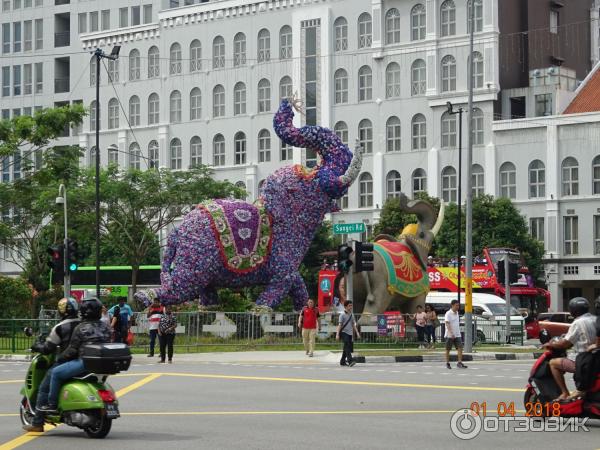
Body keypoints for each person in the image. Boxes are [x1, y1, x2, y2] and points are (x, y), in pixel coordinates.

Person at [37, 297, 111, 413]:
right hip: (104, 363)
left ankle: (52, 404)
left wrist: (60, 358)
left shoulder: (80, 327)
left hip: (85, 363)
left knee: (55, 373)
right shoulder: (106, 327)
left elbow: (72, 350)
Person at [23, 298, 80, 432]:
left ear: (62, 310)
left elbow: (48, 348)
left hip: (67, 361)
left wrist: (37, 346)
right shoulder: (82, 323)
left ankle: (37, 422)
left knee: (43, 387)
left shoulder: (60, 327)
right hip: (83, 361)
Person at [543, 297, 597, 400]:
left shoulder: (578, 323)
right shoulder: (594, 319)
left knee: (553, 363)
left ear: (574, 311)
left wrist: (550, 344)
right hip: (596, 358)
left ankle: (564, 393)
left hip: (585, 361)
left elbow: (565, 344)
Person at [336, 301, 361, 367]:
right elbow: (340, 325)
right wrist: (337, 334)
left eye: (351, 305)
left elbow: (353, 325)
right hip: (344, 332)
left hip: (350, 333)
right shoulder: (342, 315)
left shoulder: (352, 315)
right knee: (347, 345)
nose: (351, 307)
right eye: (349, 305)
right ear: (345, 306)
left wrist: (357, 333)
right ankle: (350, 361)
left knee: (346, 347)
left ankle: (342, 361)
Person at [444, 299, 467, 369]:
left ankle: (459, 362)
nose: (458, 307)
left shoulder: (457, 313)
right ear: (452, 305)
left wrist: (456, 333)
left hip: (457, 334)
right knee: (448, 349)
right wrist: (451, 333)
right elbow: (447, 324)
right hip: (449, 335)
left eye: (458, 305)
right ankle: (447, 363)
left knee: (460, 348)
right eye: (456, 305)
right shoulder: (448, 313)